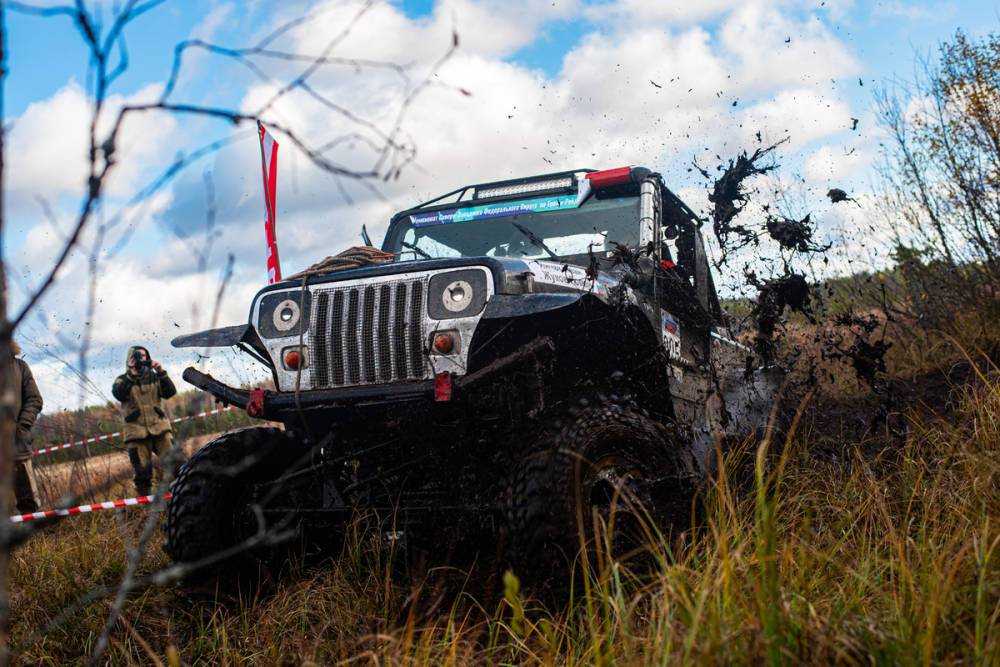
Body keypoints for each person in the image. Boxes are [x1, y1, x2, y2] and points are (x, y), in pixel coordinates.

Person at [112, 346, 177, 496]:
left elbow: (170, 392)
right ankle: (147, 510)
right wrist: (131, 375)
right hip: (136, 433)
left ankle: (184, 495)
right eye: (136, 357)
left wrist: (160, 371)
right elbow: (119, 394)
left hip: (159, 428)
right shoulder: (122, 380)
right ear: (129, 360)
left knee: (176, 464)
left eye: (143, 356)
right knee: (143, 474)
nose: (140, 360)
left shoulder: (155, 377)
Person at [12, 341, 43, 513]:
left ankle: (36, 540)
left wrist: (22, 427)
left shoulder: (19, 367)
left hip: (17, 446)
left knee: (29, 502)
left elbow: (34, 399)